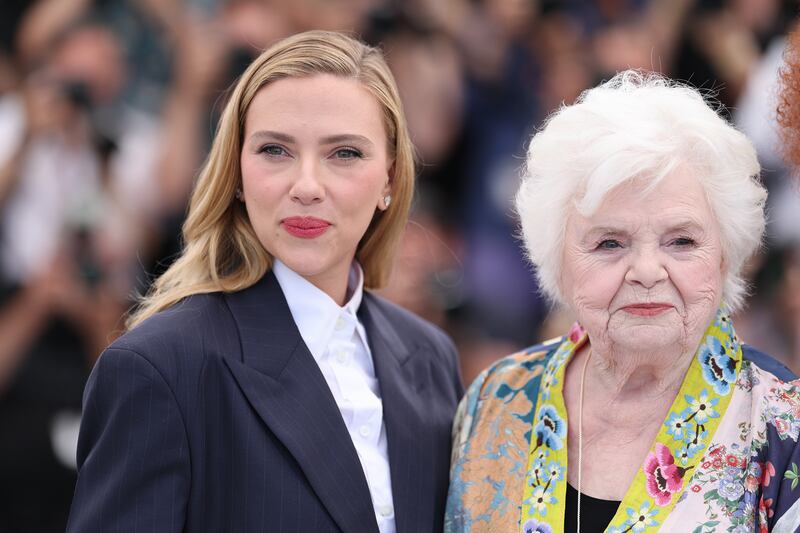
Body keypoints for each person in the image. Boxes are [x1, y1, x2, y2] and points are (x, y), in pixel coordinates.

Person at [67, 30, 463, 533]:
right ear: (235, 170)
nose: (306, 187)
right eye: (275, 150)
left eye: (344, 154)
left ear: (389, 178)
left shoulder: (430, 358)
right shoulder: (158, 367)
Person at [445, 70, 800, 532]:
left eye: (682, 241)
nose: (648, 271)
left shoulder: (782, 426)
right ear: (558, 258)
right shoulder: (497, 398)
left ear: (726, 254)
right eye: (610, 243)